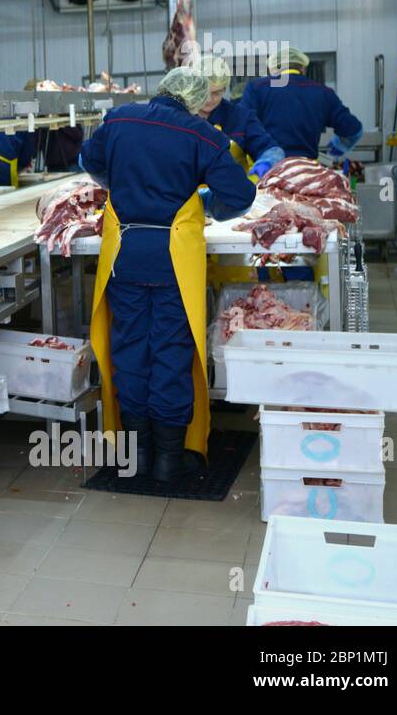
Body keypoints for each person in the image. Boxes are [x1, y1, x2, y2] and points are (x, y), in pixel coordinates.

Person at [80, 67, 256, 482]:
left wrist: (122, 182)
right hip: (173, 259)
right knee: (171, 355)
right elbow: (242, 195)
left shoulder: (119, 119)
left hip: (124, 255)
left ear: (160, 89)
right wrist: (208, 205)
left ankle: (137, 455)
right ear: (195, 101)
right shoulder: (202, 134)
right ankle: (168, 462)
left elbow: (90, 161)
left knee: (130, 352)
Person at [240, 47, 363, 161]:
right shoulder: (323, 93)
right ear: (303, 68)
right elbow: (353, 129)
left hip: (268, 171)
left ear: (273, 69)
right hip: (305, 170)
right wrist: (340, 146)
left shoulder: (256, 88)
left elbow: (240, 127)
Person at [196, 55, 284, 180]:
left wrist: (267, 161)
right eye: (204, 93)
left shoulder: (240, 117)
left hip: (229, 193)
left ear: (224, 89)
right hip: (187, 196)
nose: (209, 100)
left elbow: (269, 148)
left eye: (216, 93)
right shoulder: (180, 115)